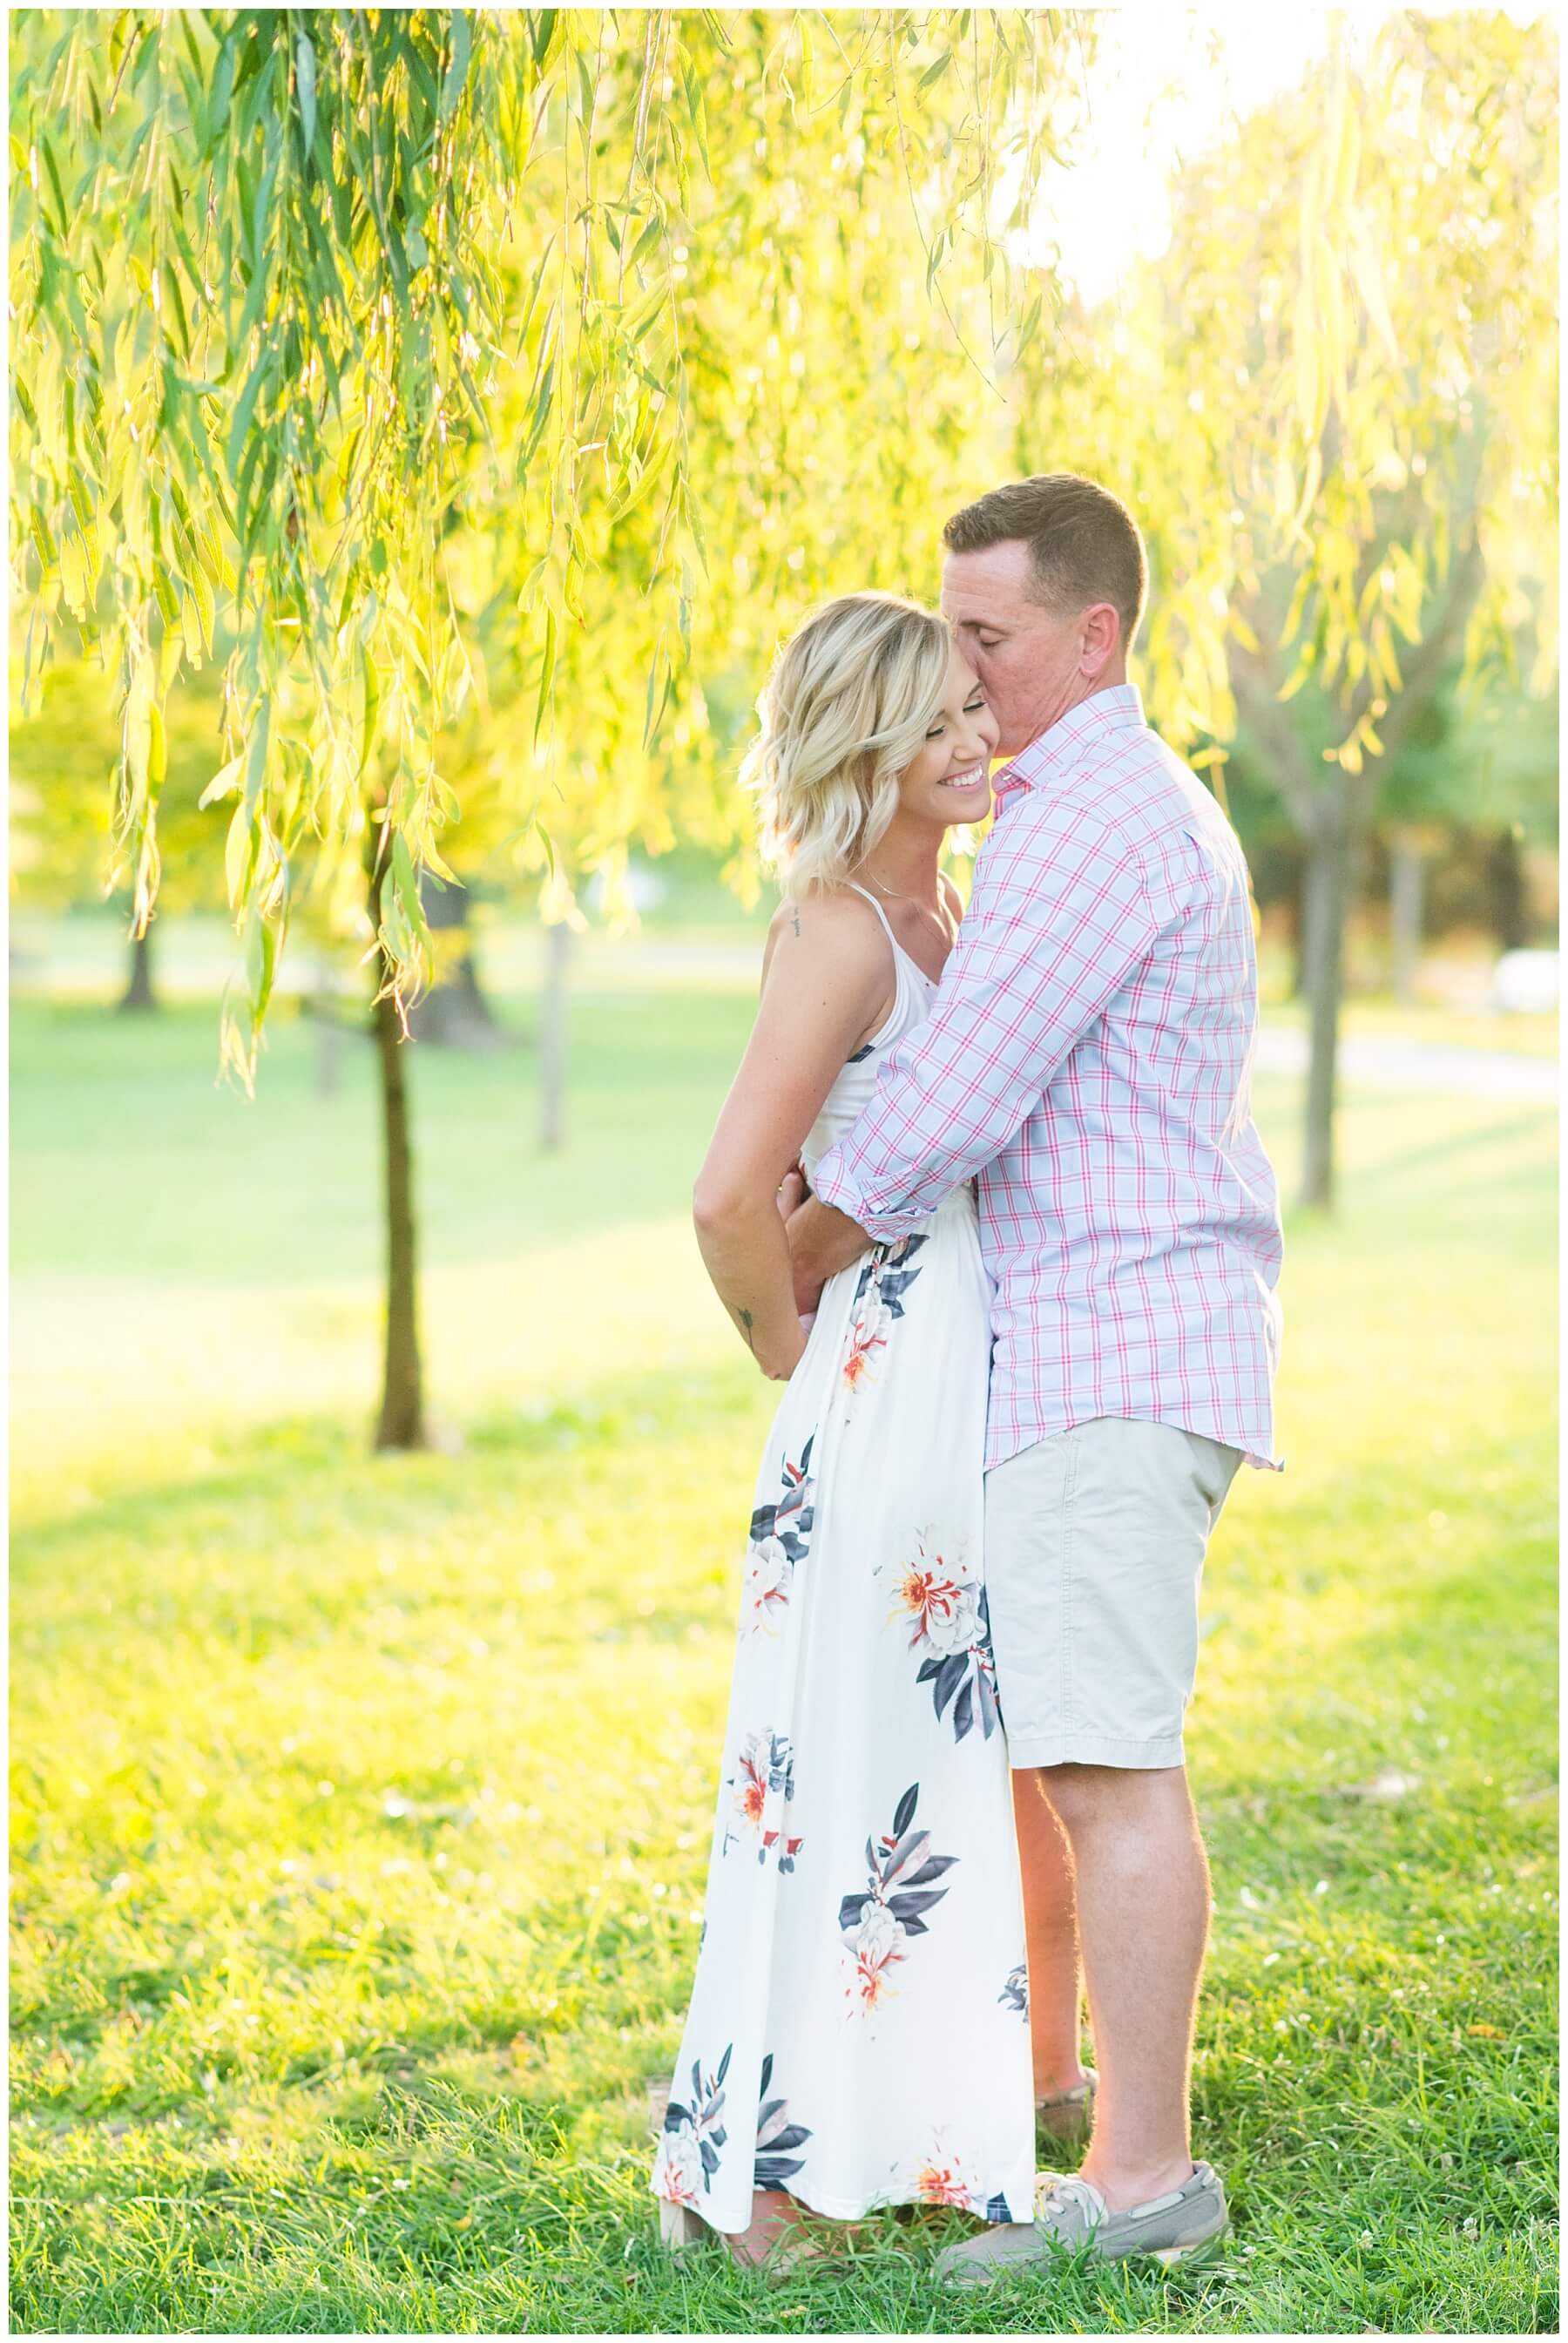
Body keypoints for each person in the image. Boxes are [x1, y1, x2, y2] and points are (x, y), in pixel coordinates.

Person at [787, 473, 1285, 2280]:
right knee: (1057, 1756)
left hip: (1111, 1347)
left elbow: (963, 1089)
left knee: (1106, 1766)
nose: (963, 679)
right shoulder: (1088, 807)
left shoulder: (1091, 823)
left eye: (985, 642)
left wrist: (800, 1230)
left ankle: (1143, 2183)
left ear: (1095, 635)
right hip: (1091, 1347)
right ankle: (1056, 2085)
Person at [649, 593, 1038, 2272]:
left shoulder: (947, 914)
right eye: (939, 717)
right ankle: (753, 2179)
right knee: (834, 1759)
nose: (974, 739)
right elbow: (735, 1190)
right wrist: (790, 1342)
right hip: (879, 1384)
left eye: (976, 707)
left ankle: (898, 2124)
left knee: (923, 1762)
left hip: (974, 1377)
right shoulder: (836, 932)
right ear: (863, 739)